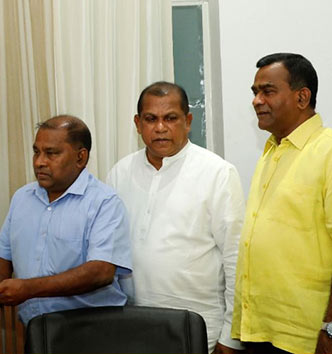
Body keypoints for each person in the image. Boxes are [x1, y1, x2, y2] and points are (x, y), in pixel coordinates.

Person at [106, 81, 245, 353]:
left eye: (170, 118)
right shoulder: (119, 174)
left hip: (199, 330)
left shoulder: (217, 173)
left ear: (188, 121)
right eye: (151, 119)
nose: (160, 128)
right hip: (133, 328)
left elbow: (237, 260)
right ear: (137, 123)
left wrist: (230, 337)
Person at [0, 115, 132, 325]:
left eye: (51, 153)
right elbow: (2, 257)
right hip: (35, 329)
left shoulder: (104, 202)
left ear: (80, 158)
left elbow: (100, 272)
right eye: (36, 152)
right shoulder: (22, 198)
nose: (39, 162)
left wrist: (27, 289)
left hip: (92, 332)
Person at [232, 53, 332, 354]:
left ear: (302, 97)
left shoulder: (327, 150)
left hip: (308, 337)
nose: (257, 101)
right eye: (255, 92)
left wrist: (330, 326)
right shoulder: (271, 151)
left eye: (268, 91)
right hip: (260, 330)